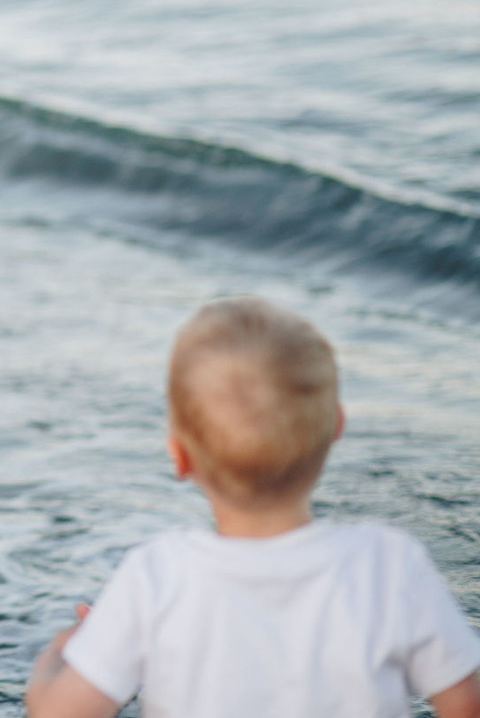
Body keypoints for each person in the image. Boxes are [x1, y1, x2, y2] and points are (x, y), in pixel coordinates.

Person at [24, 297, 480, 718]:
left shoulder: (156, 578)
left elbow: (56, 714)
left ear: (179, 455)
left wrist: (68, 650)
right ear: (336, 428)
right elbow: (467, 704)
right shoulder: (390, 566)